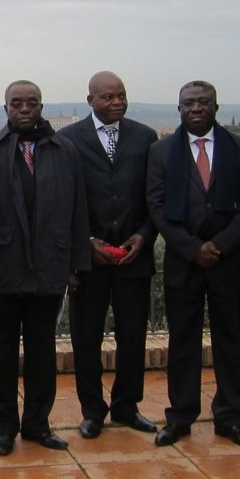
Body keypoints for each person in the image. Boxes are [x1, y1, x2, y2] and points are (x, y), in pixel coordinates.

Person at [0, 81, 90, 455]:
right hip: (1, 270)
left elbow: (78, 210)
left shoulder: (65, 152)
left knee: (42, 352)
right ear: (5, 108)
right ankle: (3, 429)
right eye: (16, 103)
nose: (24, 109)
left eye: (31, 103)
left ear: (41, 107)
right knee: (1, 354)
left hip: (50, 267)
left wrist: (76, 265)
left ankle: (37, 424)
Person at [147, 81, 240, 449]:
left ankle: (229, 418)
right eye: (188, 103)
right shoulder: (161, 151)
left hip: (229, 263)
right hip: (184, 264)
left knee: (228, 343)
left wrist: (221, 246)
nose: (196, 108)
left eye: (203, 102)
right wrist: (192, 248)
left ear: (216, 106)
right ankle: (180, 417)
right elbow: (156, 207)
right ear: (179, 109)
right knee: (183, 343)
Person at [58, 71, 159, 439]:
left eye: (122, 95)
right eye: (108, 97)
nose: (117, 102)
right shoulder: (69, 140)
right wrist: (85, 243)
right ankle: (92, 410)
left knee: (133, 336)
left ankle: (127, 406)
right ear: (90, 101)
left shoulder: (146, 137)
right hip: (89, 261)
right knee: (86, 339)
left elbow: (155, 196)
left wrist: (144, 236)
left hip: (134, 258)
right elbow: (62, 201)